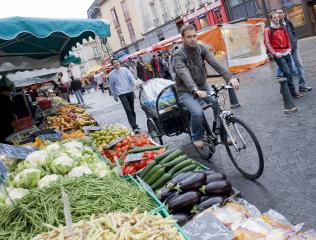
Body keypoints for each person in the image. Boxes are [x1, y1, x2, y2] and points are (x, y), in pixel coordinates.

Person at [173, 24, 240, 148]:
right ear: (183, 38)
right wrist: (194, 89)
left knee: (217, 104)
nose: (193, 39)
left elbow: (215, 63)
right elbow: (184, 73)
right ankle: (196, 136)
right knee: (197, 112)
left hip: (202, 84)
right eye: (189, 37)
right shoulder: (178, 54)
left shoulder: (201, 49)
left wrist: (230, 78)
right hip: (185, 90)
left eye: (194, 36)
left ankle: (223, 135)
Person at [264, 11, 301, 114]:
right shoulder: (268, 30)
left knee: (289, 72)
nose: (277, 19)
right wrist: (275, 53)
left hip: (286, 52)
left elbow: (288, 39)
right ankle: (287, 90)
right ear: (271, 19)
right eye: (275, 18)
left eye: (278, 17)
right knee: (287, 72)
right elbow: (267, 43)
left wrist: (289, 49)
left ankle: (291, 92)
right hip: (278, 54)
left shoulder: (282, 27)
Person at [277, 9, 312, 92]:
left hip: (294, 48)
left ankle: (302, 85)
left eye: (280, 13)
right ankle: (289, 90)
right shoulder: (277, 25)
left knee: (300, 66)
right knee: (288, 71)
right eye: (277, 13)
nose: (279, 14)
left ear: (284, 13)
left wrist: (295, 41)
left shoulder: (288, 22)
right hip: (285, 50)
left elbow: (294, 32)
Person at [109, 59, 140, 133]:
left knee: (132, 109)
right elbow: (111, 86)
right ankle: (134, 126)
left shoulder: (125, 69)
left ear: (119, 63)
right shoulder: (111, 74)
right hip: (121, 93)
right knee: (128, 109)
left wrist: (134, 84)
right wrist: (115, 96)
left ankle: (135, 124)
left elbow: (131, 77)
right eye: (114, 63)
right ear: (112, 65)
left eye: (117, 62)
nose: (116, 64)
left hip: (129, 91)